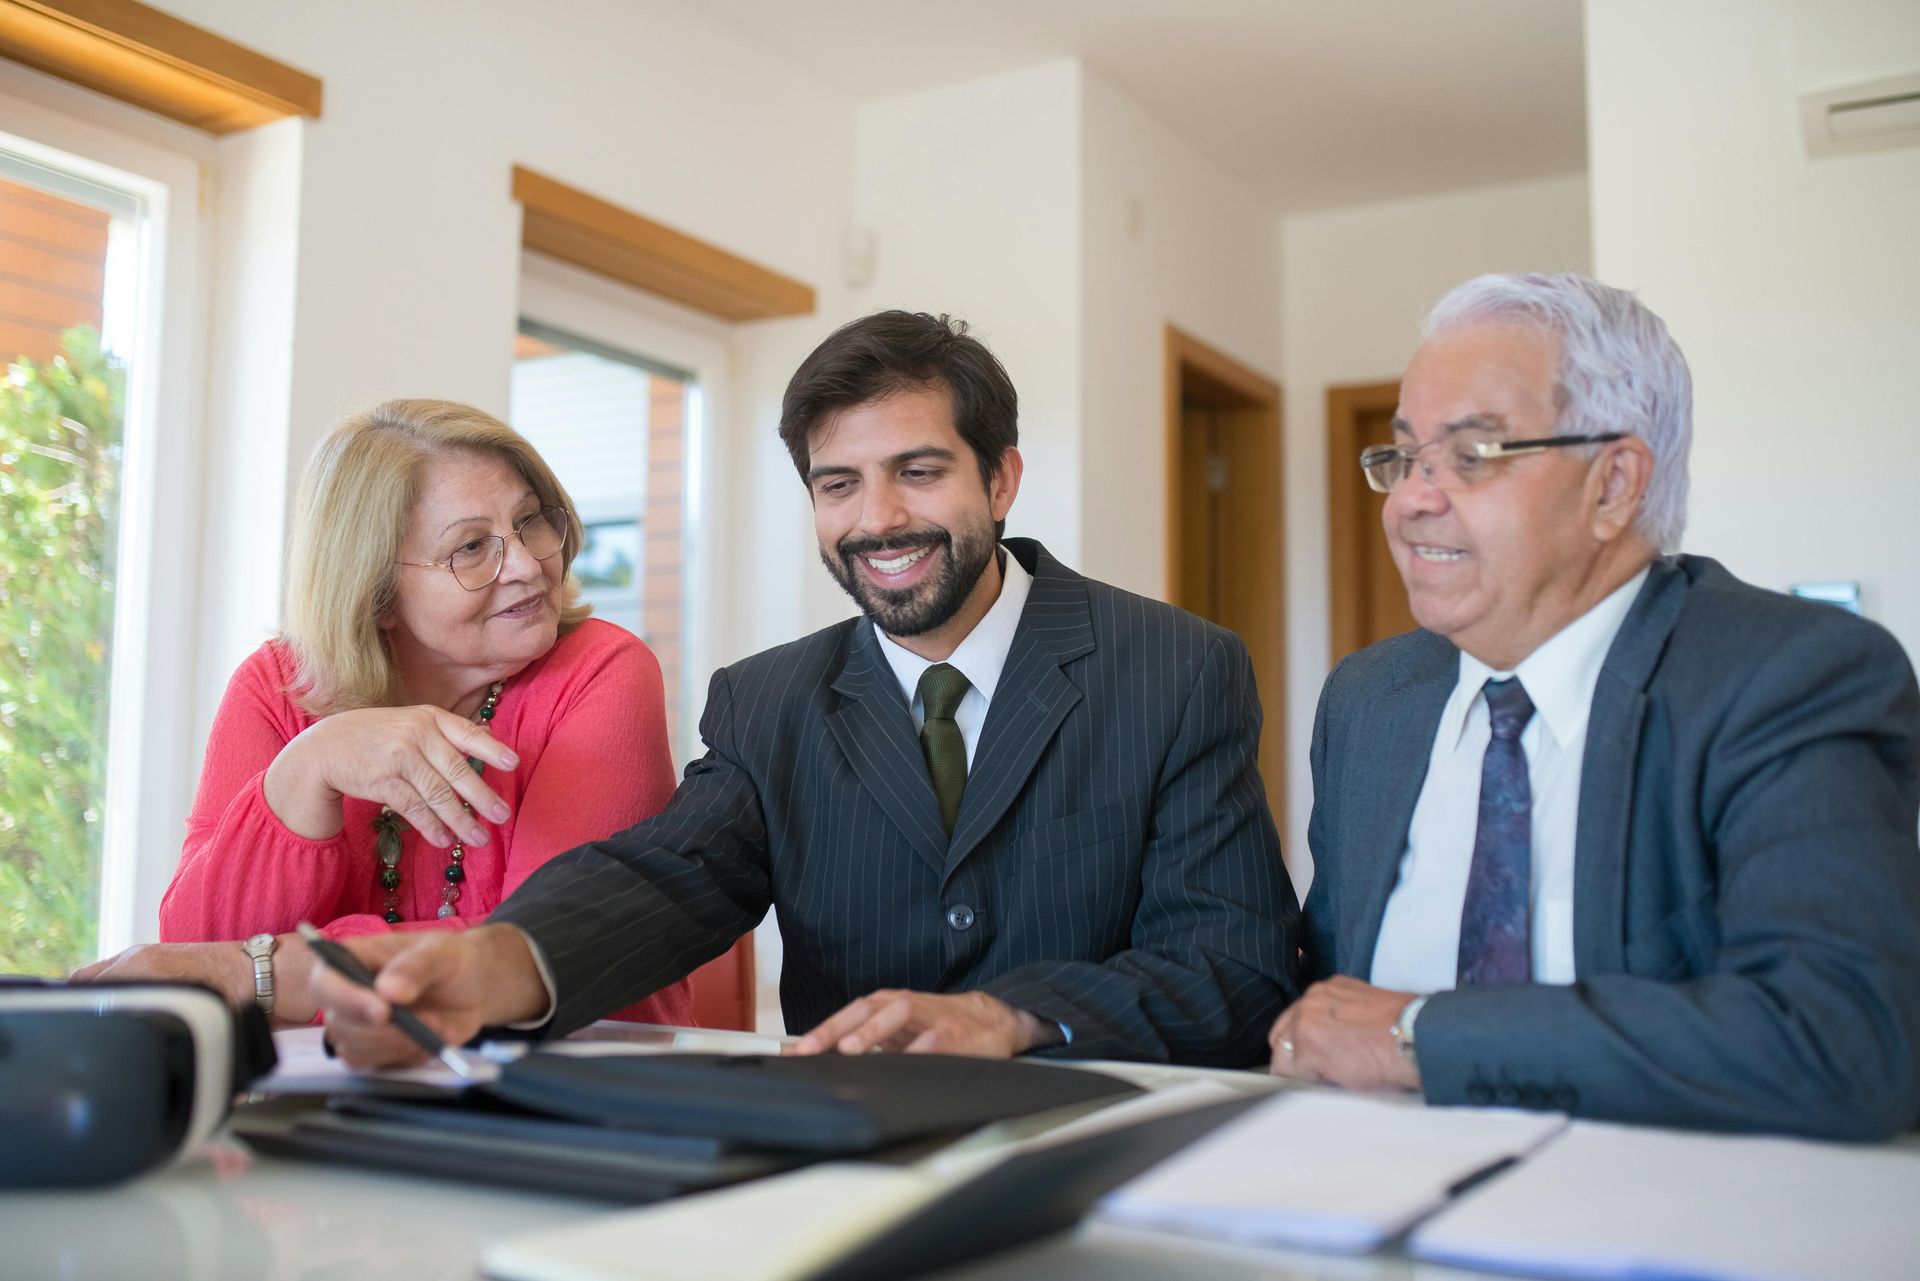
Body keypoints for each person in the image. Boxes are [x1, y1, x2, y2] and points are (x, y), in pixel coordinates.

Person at [315, 311, 1299, 1067]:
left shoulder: (1176, 668)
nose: (878, 519)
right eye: (838, 485)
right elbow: (666, 878)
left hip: (1111, 1149)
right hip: (852, 1161)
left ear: (1000, 481)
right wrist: (501, 960)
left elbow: (1234, 968)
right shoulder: (768, 702)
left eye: (918, 472)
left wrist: (1012, 1018)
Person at [1269, 273, 1920, 1139]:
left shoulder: (1787, 675)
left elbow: (1840, 1038)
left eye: (1471, 455)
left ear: (1613, 484)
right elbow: (1327, 999)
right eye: (1405, 456)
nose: (1412, 499)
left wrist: (1416, 1036)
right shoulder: (1371, 700)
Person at [75, 400, 693, 1028]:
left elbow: (538, 953)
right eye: (473, 547)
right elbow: (197, 949)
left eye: (530, 521)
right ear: (374, 593)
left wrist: (264, 973)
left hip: (562, 1097)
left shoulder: (602, 668)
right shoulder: (277, 686)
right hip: (328, 1099)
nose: (530, 565)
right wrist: (307, 767)